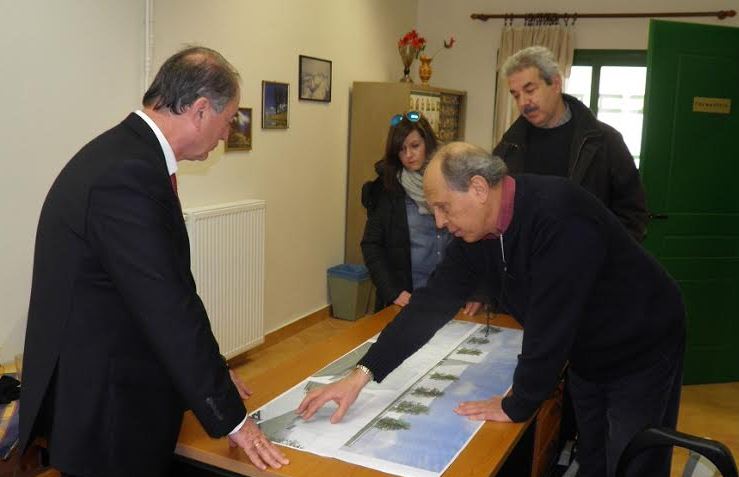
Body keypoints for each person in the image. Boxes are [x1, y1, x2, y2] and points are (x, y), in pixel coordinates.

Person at [299, 142, 686, 477]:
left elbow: (549, 327)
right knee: (594, 453)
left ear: (479, 188)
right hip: (587, 348)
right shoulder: (476, 235)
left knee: (632, 458)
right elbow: (428, 307)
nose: (440, 222)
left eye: (443, 207)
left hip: (641, 341)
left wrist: (517, 404)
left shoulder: (560, 214)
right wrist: (361, 374)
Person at [19, 46, 288, 477]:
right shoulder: (127, 174)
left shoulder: (126, 155)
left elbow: (164, 289)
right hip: (106, 409)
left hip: (115, 381)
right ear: (200, 110)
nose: (225, 135)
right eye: (226, 121)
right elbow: (168, 308)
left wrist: (215, 373)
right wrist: (234, 421)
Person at [493, 46, 648, 242]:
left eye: (530, 90)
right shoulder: (508, 147)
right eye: (516, 95)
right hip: (527, 258)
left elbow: (633, 214)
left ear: (556, 83)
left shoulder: (605, 142)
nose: (523, 102)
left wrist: (603, 252)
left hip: (589, 258)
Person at [361, 111, 480, 314]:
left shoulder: (453, 179)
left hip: (454, 293)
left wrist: (478, 290)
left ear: (428, 143)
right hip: (409, 297)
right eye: (401, 150)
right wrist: (392, 291)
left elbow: (475, 238)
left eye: (415, 146)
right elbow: (371, 245)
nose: (408, 155)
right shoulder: (387, 189)